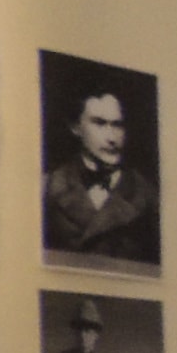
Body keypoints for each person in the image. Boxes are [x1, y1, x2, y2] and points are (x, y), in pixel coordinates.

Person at [42, 83, 157, 267]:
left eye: (117, 125)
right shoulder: (47, 188)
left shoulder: (148, 196)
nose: (111, 138)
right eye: (99, 123)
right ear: (76, 127)